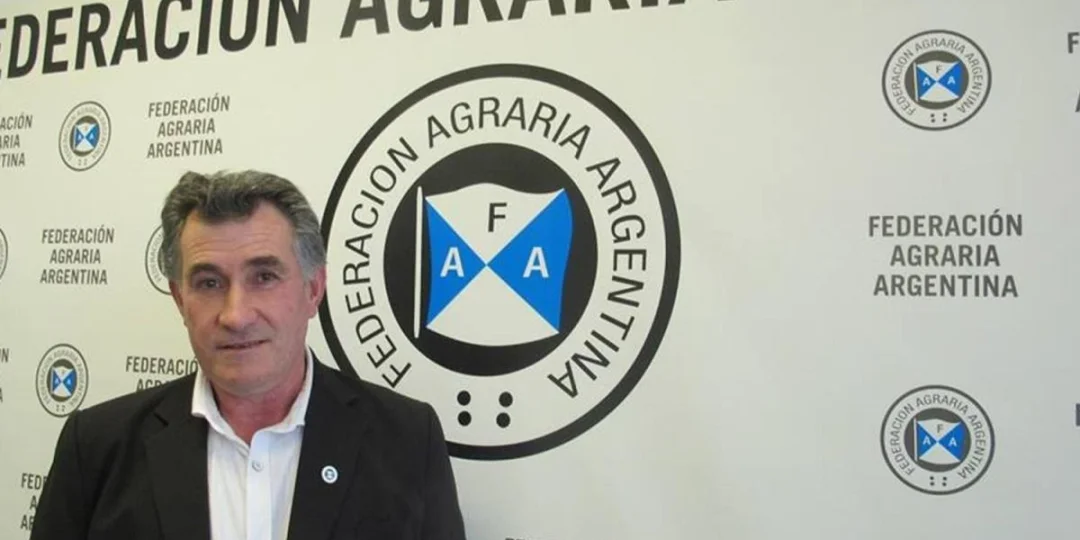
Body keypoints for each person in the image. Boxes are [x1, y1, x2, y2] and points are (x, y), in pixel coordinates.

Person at [30, 170, 467, 540]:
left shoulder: (407, 440)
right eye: (209, 283)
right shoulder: (96, 447)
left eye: (264, 277)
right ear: (180, 300)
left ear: (314, 289)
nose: (236, 315)